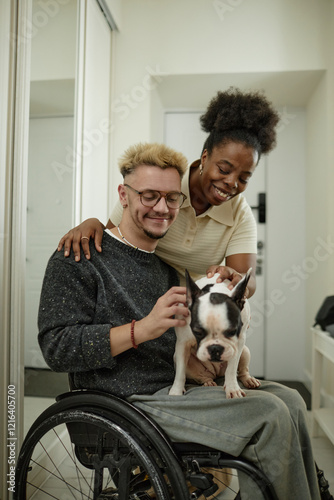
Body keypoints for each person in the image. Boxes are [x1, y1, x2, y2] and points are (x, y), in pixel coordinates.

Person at [38, 142, 321, 500]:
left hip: (179, 388)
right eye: (150, 195)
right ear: (123, 196)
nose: (162, 208)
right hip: (124, 400)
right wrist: (143, 328)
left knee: (292, 400)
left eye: (172, 198)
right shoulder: (79, 256)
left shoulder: (166, 271)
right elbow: (56, 348)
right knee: (270, 413)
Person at [57, 87, 280, 296]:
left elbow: (247, 283)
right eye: (223, 169)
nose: (232, 183)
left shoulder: (239, 215)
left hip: (190, 305)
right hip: (140, 292)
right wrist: (94, 224)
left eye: (244, 178)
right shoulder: (161, 185)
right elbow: (115, 243)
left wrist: (236, 278)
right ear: (205, 158)